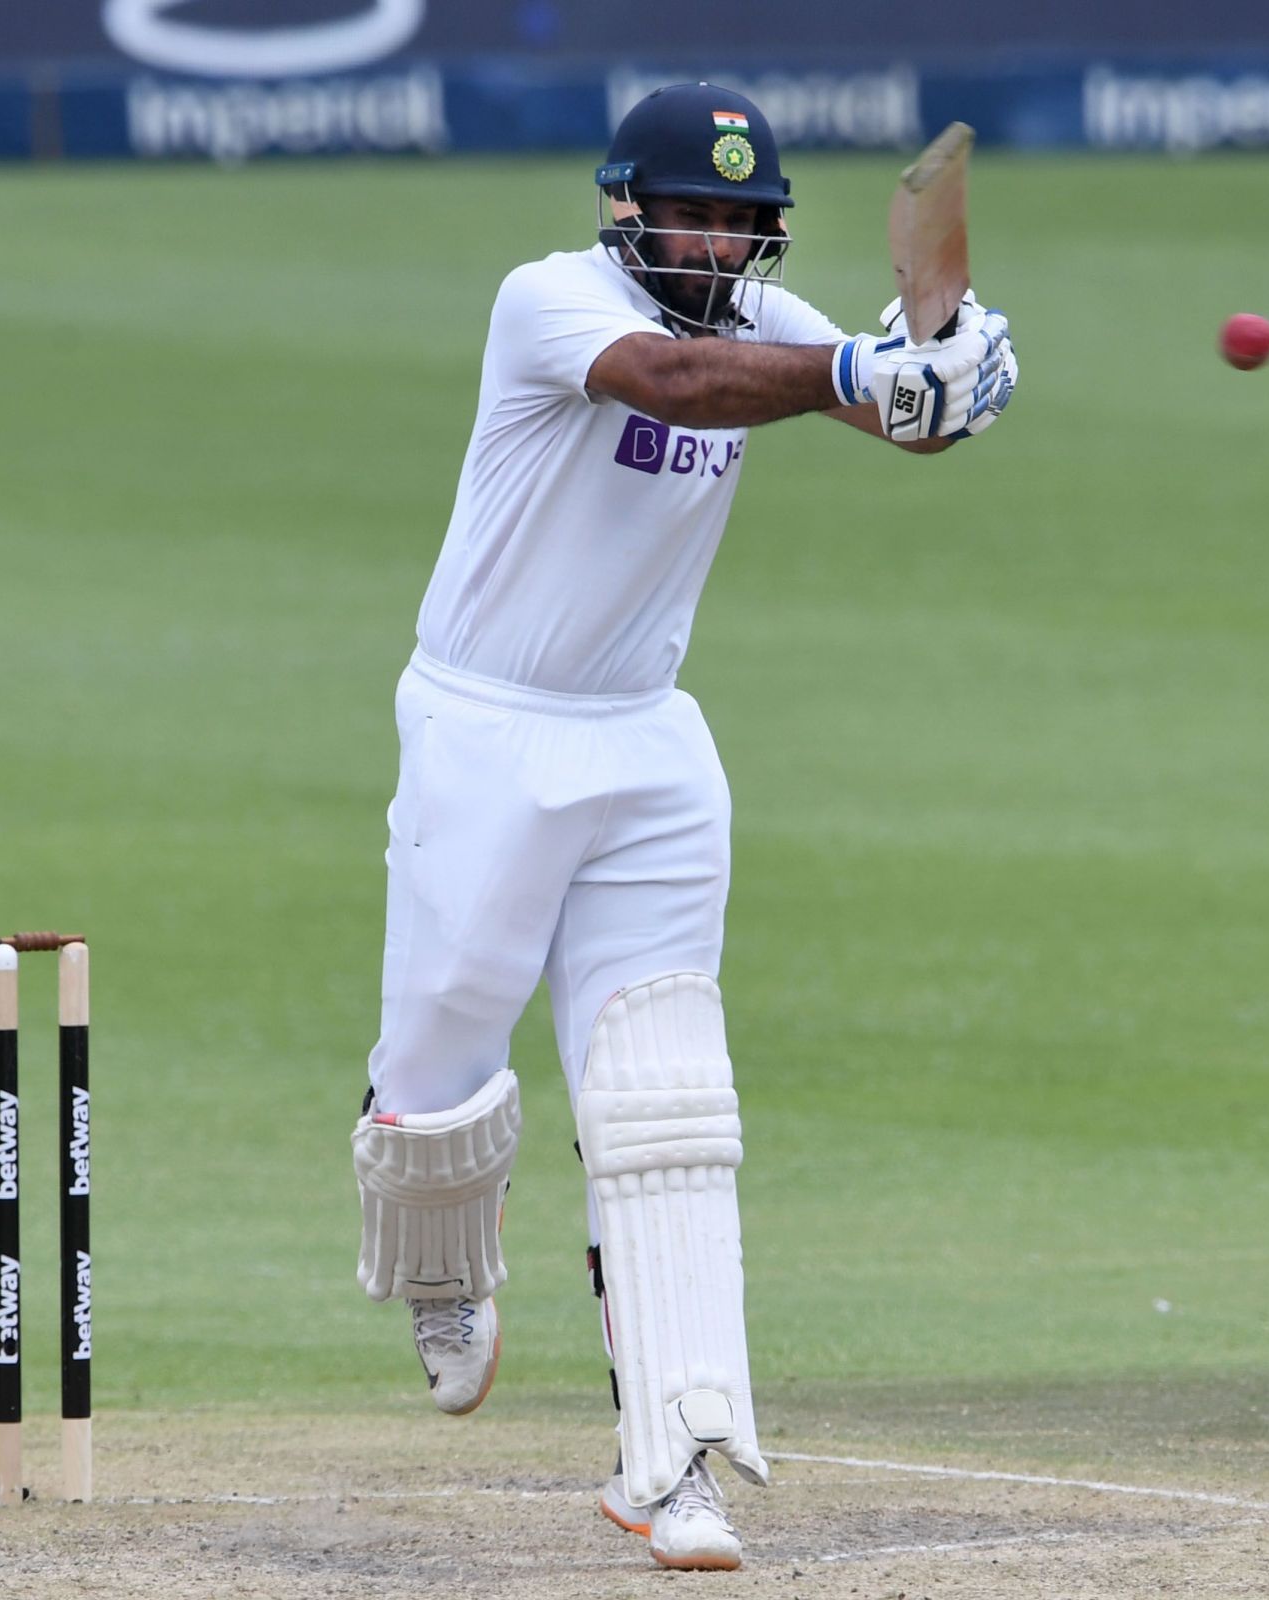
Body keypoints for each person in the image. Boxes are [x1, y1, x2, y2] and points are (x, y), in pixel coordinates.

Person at [350, 82, 1019, 1572]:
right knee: (445, 1053)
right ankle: (442, 1269)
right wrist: (862, 362)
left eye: (741, 219)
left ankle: (679, 1458)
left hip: (648, 741)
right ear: (627, 210)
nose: (717, 239)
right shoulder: (552, 302)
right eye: (692, 213)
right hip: (485, 726)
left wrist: (947, 377)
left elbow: (890, 412)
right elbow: (679, 385)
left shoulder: (769, 319)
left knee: (667, 1103)